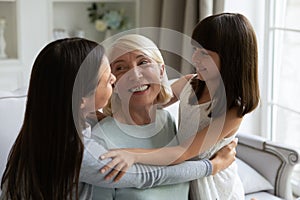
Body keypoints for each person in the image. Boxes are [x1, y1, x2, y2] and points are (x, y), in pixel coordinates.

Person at [0, 37, 237, 200]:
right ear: (83, 98)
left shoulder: (65, 121)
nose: (115, 79)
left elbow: (168, 88)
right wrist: (211, 166)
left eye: (143, 62)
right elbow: (149, 177)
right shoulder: (83, 151)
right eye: (109, 76)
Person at [100, 13, 260, 200]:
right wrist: (103, 116)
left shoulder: (232, 110)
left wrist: (131, 154)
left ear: (231, 58)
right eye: (195, 50)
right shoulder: (189, 84)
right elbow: (145, 102)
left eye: (204, 54)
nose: (195, 58)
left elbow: (182, 152)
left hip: (214, 185)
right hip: (188, 176)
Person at [91, 34, 189, 199]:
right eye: (121, 68)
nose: (135, 75)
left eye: (143, 62)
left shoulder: (167, 120)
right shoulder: (101, 138)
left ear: (161, 71)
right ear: (113, 82)